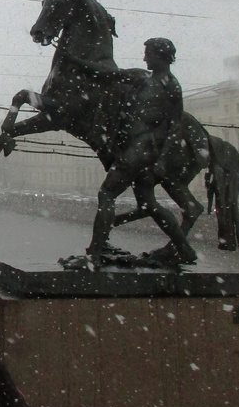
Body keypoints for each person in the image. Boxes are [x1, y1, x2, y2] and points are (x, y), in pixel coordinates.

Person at [74, 37, 195, 263]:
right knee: (149, 204)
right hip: (141, 150)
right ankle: (185, 250)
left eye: (148, 53)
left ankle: (95, 254)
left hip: (138, 150)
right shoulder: (145, 77)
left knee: (107, 193)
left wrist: (162, 159)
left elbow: (175, 125)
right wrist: (78, 61)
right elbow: (110, 74)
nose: (144, 58)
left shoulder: (169, 85)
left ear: (160, 56)